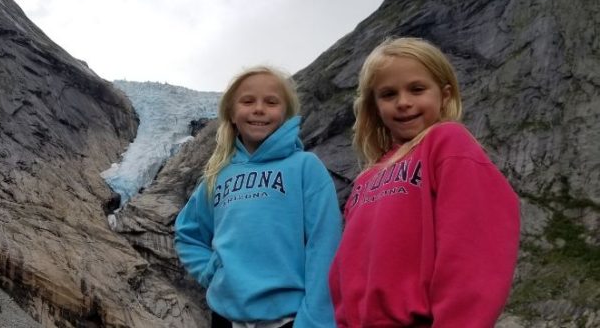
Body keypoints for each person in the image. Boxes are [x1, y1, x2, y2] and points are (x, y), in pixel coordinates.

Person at [328, 37, 521, 327]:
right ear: (375, 106)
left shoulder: (448, 143)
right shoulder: (366, 179)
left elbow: (473, 253)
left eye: (417, 89)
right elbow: (346, 267)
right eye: (388, 94)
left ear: (444, 95)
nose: (403, 102)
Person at [175, 66, 342, 328]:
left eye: (271, 102)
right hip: (225, 317)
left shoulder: (305, 167)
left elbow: (325, 246)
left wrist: (315, 321)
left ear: (285, 114)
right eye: (248, 101)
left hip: (291, 318)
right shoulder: (218, 176)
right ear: (231, 113)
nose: (259, 109)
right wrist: (211, 272)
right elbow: (187, 233)